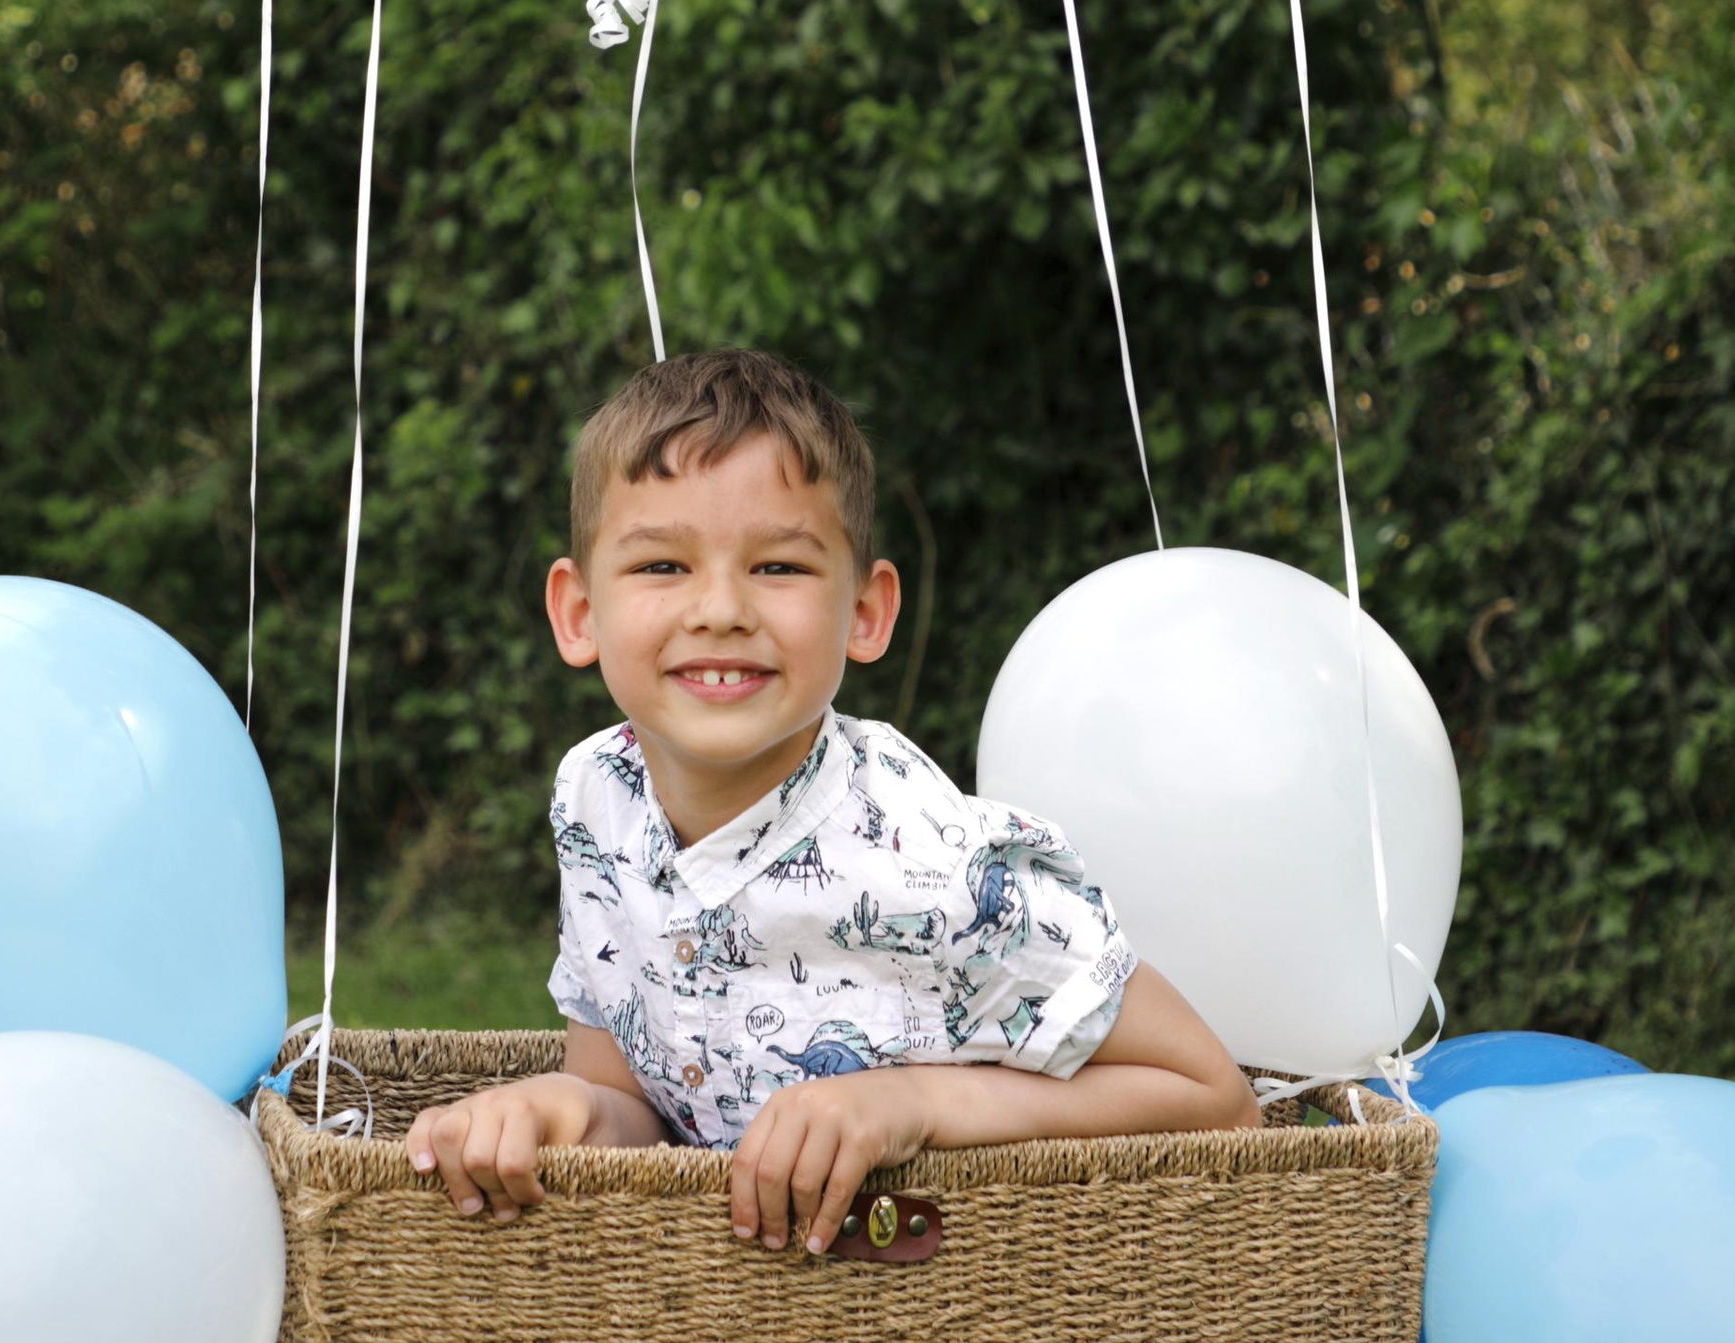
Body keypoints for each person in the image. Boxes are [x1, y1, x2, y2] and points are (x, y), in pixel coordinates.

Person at [406, 345, 1259, 1256]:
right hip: (733, 1337)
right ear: (579, 614)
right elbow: (634, 1107)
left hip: (948, 1316)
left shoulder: (931, 865)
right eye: (662, 567)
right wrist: (556, 1109)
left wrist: (915, 1102)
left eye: (778, 567)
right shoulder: (595, 799)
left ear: (866, 611)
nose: (721, 608)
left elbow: (1217, 1100)